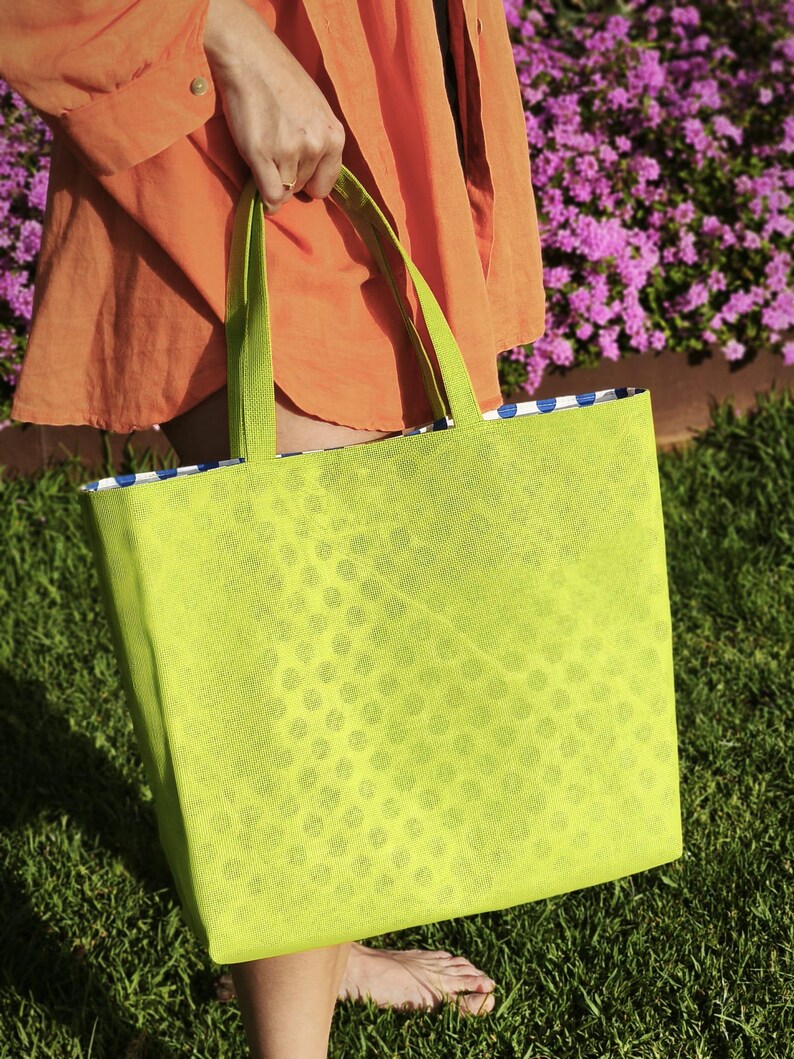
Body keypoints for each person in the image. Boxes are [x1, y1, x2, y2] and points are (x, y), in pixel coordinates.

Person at [0, 1, 547, 1055]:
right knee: (304, 627)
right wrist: (221, 35)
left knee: (322, 604)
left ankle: (314, 943)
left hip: (371, 80)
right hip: (246, 85)